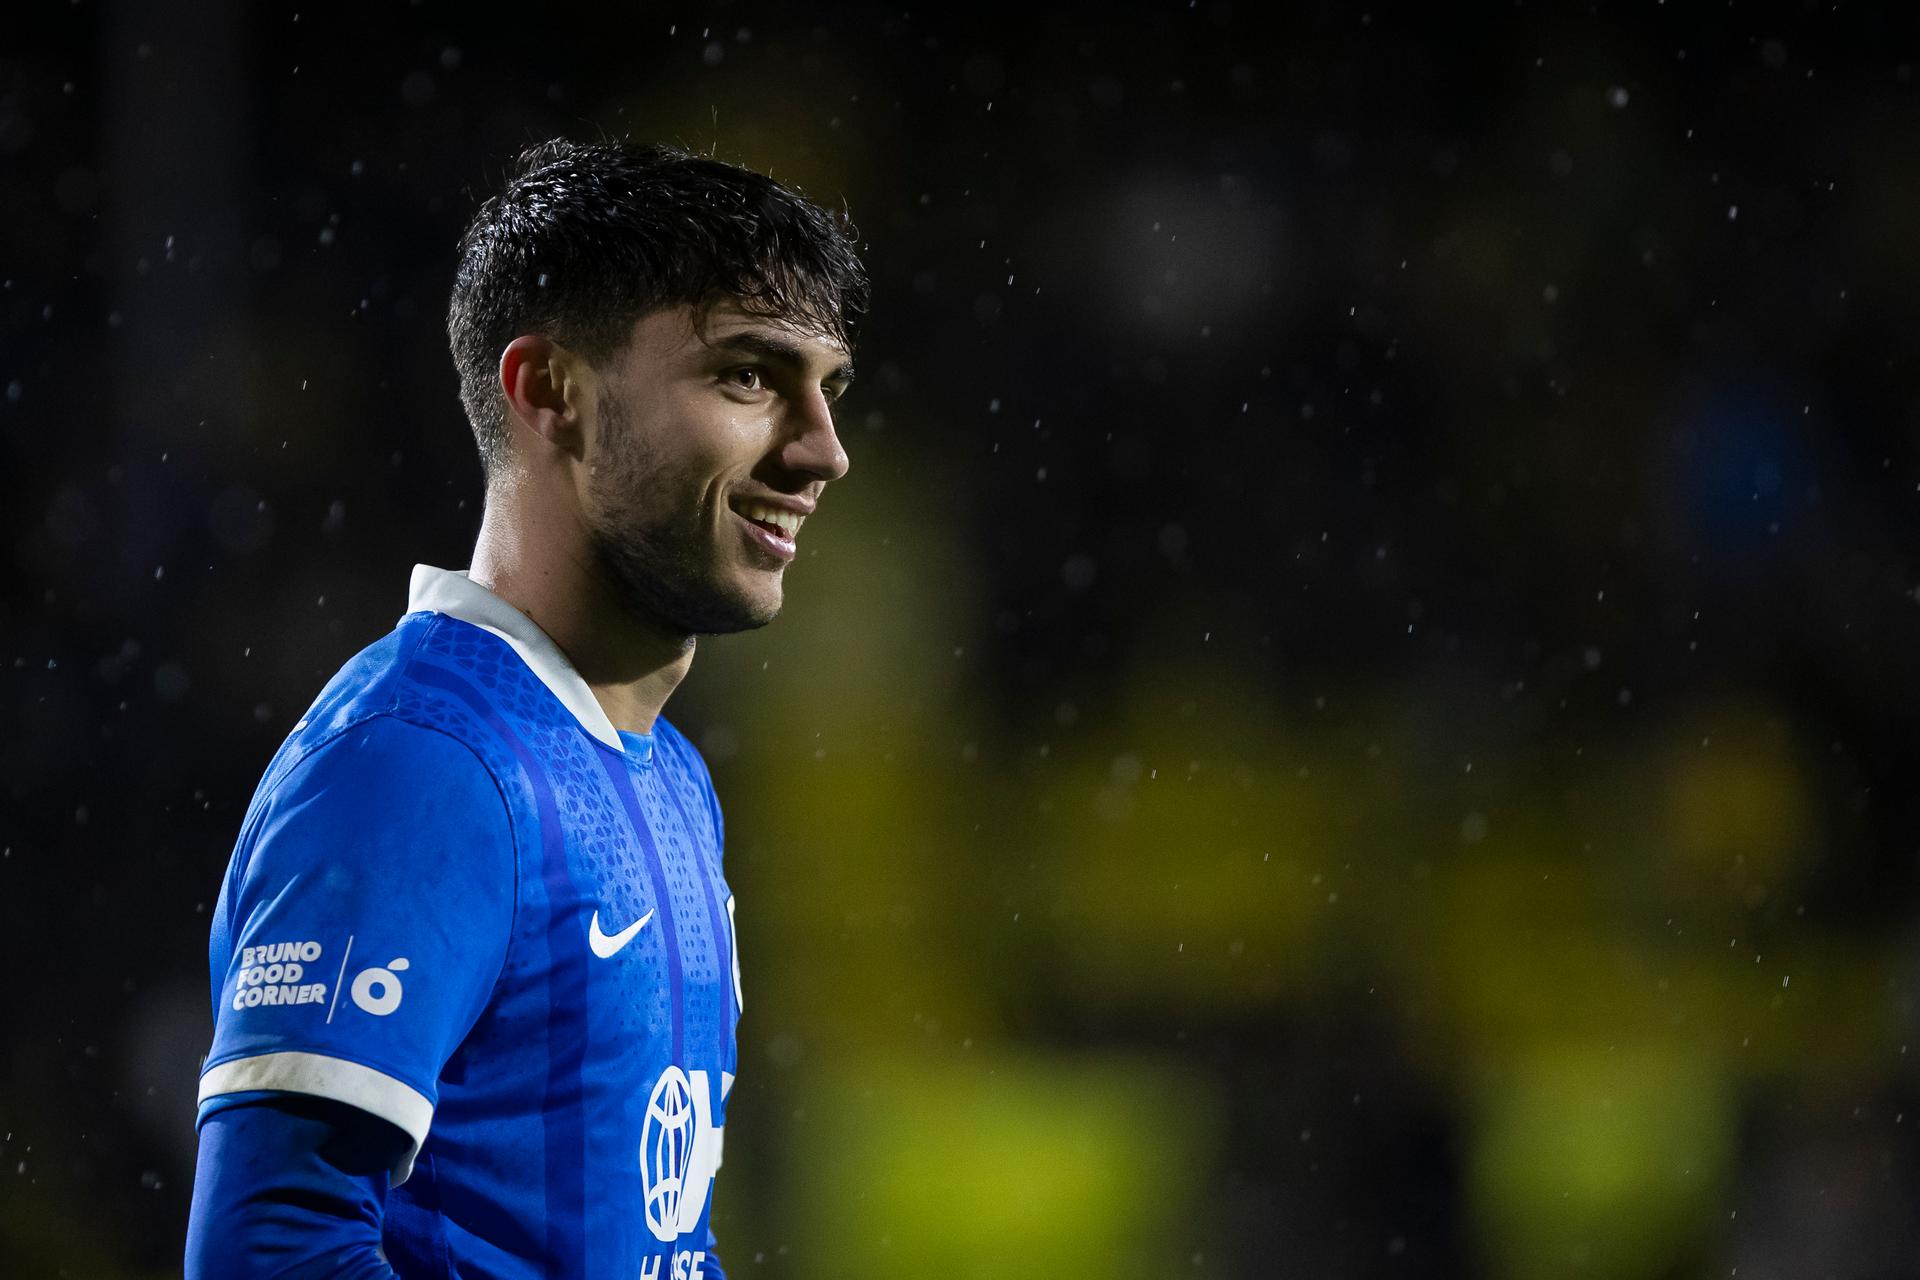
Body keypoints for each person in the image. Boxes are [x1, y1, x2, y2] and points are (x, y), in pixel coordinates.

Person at [183, 139, 866, 1279]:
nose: (824, 451)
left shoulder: (664, 770)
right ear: (552, 391)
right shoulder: (420, 765)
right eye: (750, 376)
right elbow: (274, 1250)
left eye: (828, 389)